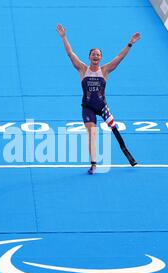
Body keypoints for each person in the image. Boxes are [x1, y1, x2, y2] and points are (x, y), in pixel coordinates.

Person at [56, 24, 140, 174]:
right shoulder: (82, 69)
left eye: (98, 55)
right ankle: (93, 164)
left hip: (102, 106)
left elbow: (119, 57)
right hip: (87, 106)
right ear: (89, 57)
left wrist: (130, 43)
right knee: (92, 133)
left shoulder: (105, 70)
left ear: (101, 58)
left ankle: (127, 154)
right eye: (93, 54)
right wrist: (63, 37)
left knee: (114, 129)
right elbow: (70, 53)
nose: (95, 56)